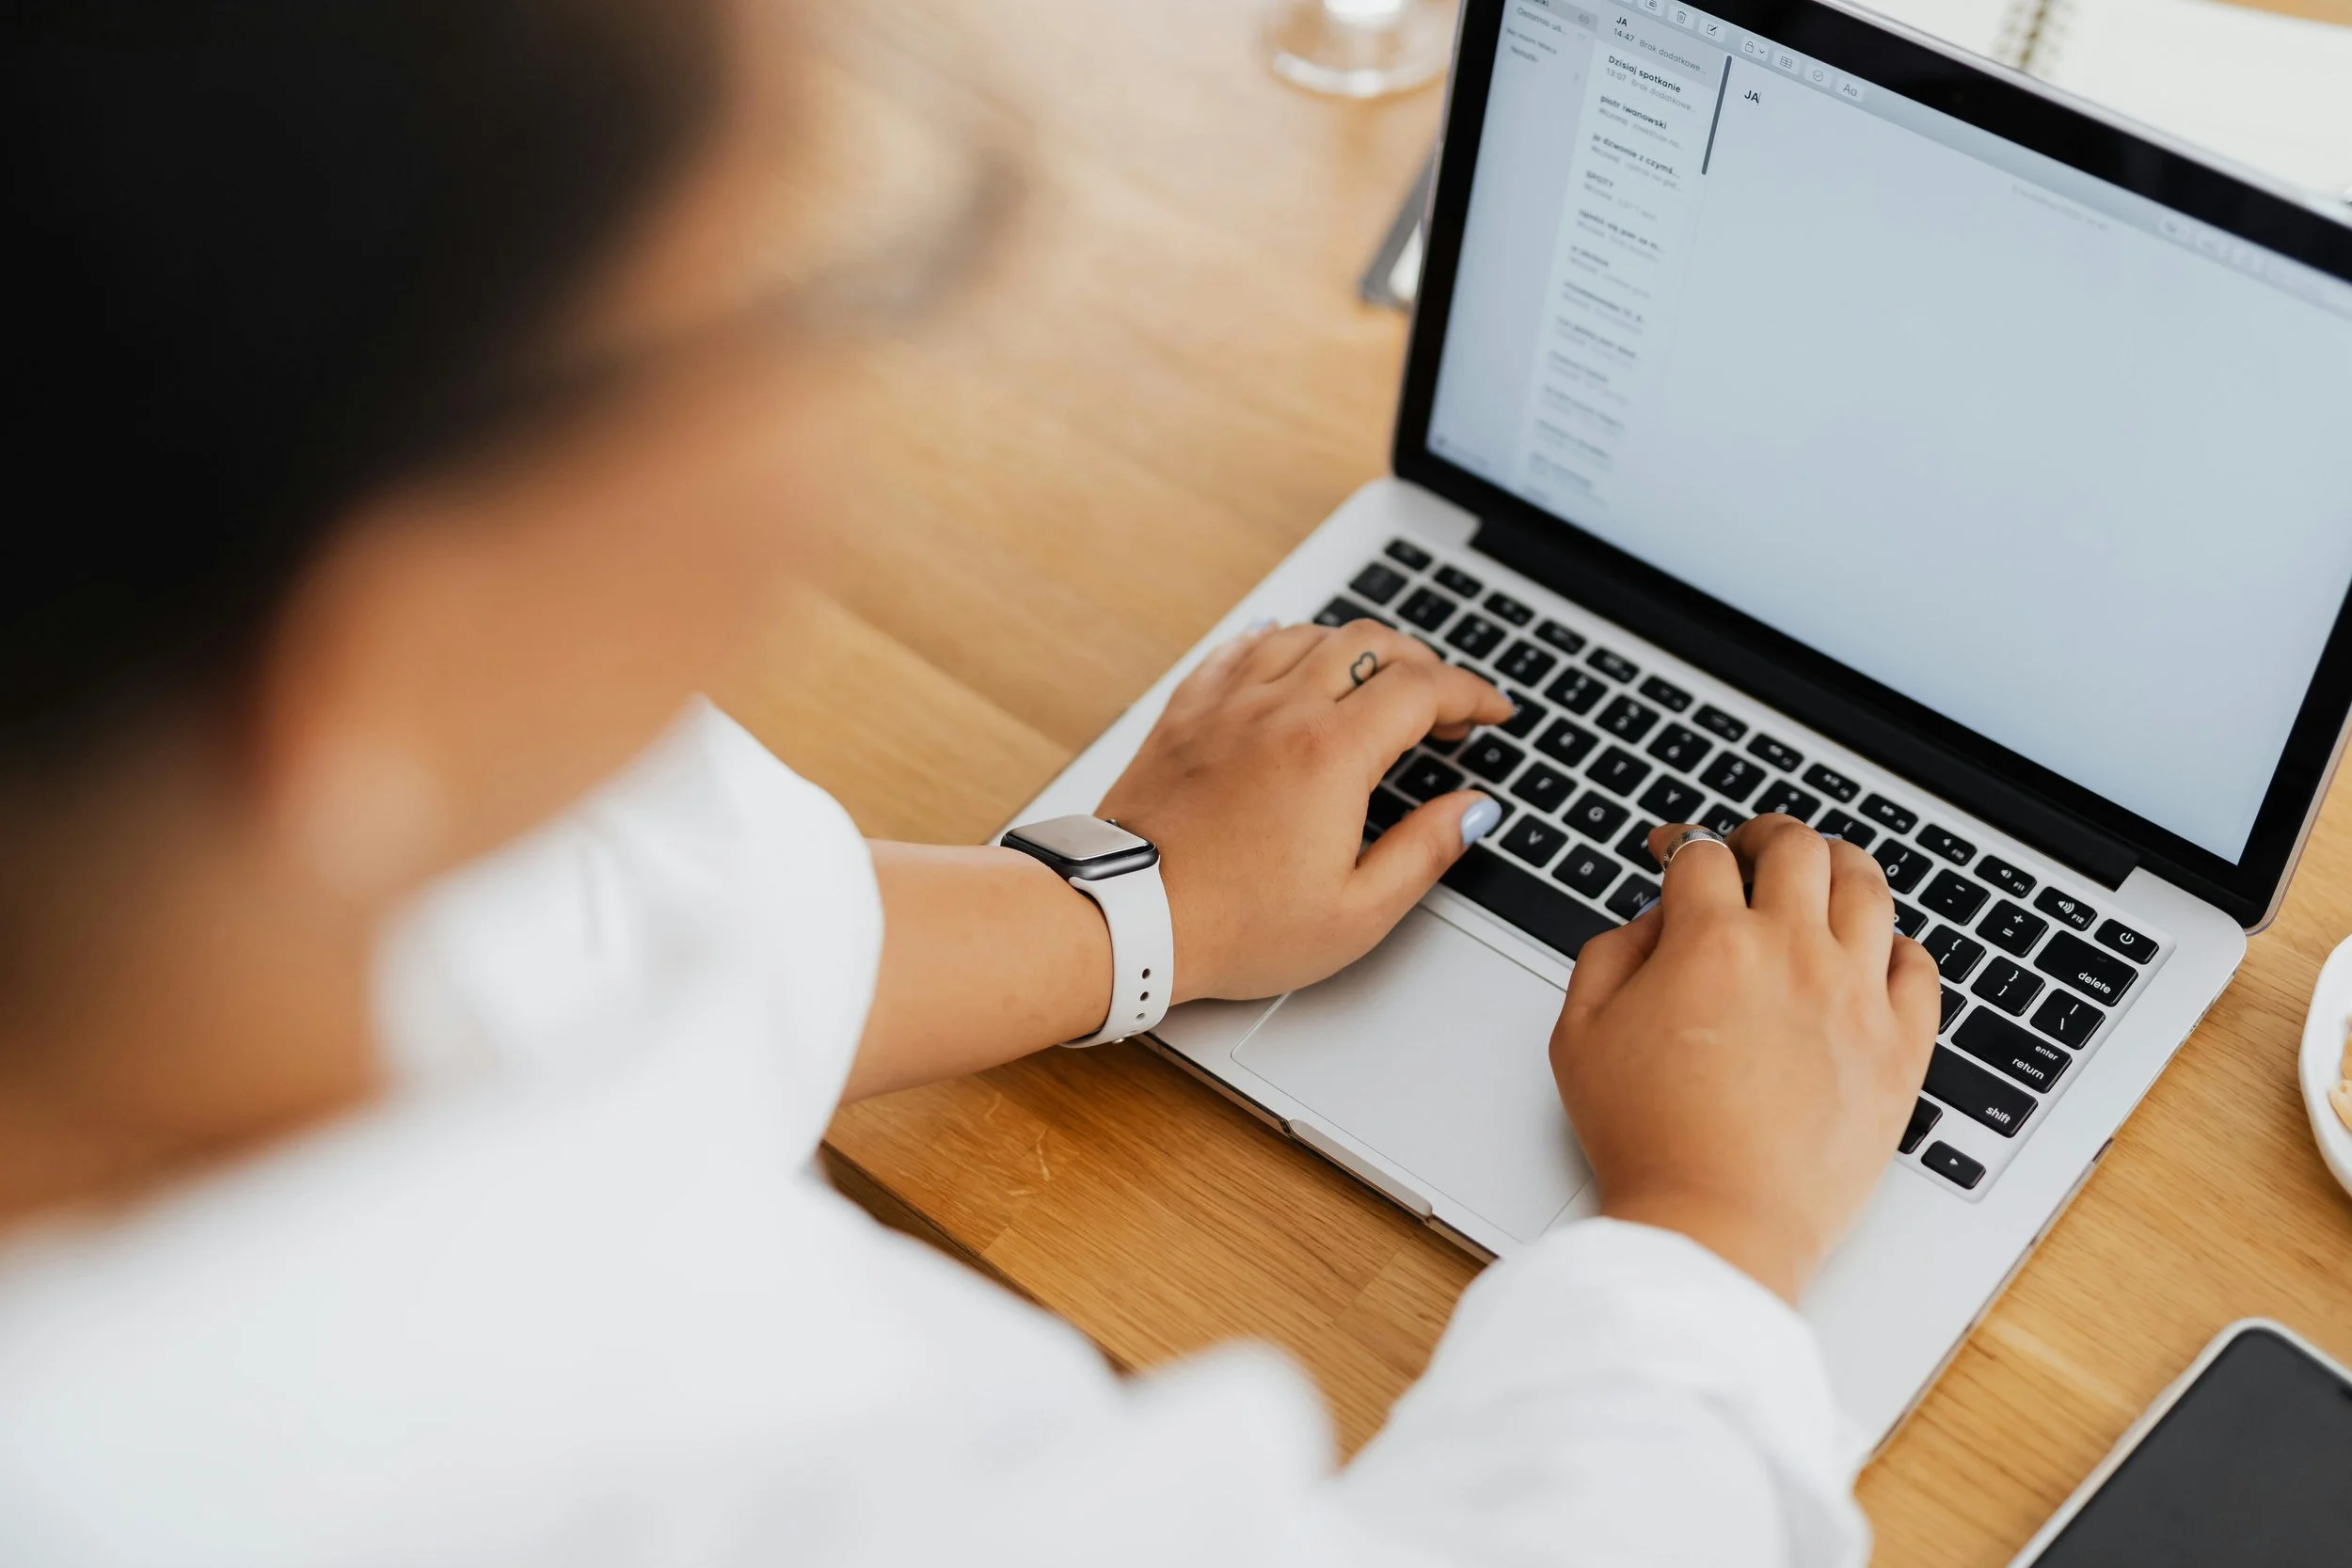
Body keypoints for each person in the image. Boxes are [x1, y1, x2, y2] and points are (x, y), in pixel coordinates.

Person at [0, 2, 1939, 1563]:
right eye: (795, 286)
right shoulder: (670, 1464)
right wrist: (1713, 1222)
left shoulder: (154, 872)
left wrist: (1137, 909)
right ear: (368, 664)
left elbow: (596, 915)